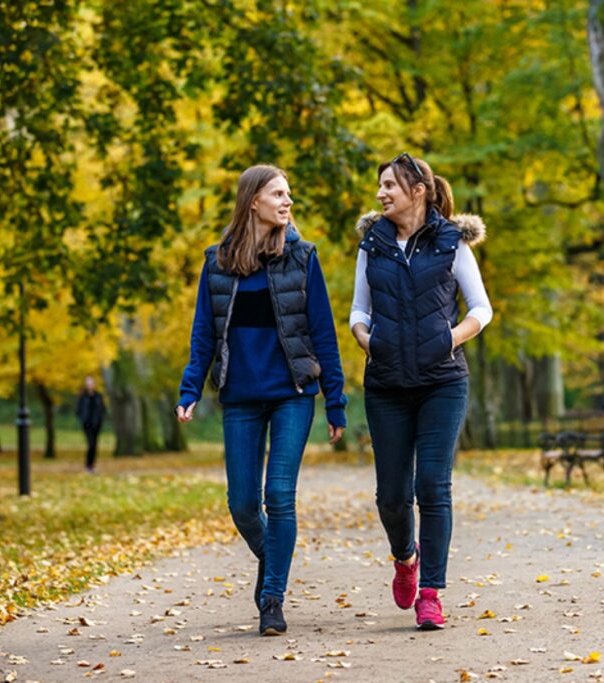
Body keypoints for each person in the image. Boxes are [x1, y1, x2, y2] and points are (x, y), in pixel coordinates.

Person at [175, 164, 347, 637]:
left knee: (279, 497)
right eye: (279, 194)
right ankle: (275, 559)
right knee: (243, 504)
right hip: (240, 398)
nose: (288, 202)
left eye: (289, 194)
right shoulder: (217, 263)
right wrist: (190, 388)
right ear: (254, 201)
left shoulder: (302, 257)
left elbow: (323, 334)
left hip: (292, 395)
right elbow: (203, 335)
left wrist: (335, 400)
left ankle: (272, 598)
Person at [350, 153, 493, 630]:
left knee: (433, 484)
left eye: (389, 184)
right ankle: (404, 557)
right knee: (392, 496)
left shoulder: (451, 243)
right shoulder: (372, 244)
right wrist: (369, 340)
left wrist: (449, 339)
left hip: (441, 382)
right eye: (380, 185)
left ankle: (431, 592)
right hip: (387, 384)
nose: (381, 193)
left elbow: (482, 308)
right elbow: (358, 311)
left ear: (418, 190)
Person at [75, 375, 106, 472]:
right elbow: (78, 410)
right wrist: (83, 419)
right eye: (88, 383)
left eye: (91, 382)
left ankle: (92, 465)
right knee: (91, 444)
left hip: (96, 424)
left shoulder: (98, 396)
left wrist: (100, 419)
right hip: (87, 424)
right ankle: (88, 465)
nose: (90, 385)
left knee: (95, 445)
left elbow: (102, 409)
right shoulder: (83, 397)